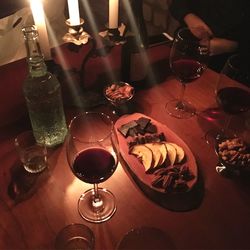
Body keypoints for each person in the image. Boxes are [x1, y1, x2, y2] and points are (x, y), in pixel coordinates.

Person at [169, 0, 250, 72]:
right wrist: (189, 16)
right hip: (184, 46)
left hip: (226, 64)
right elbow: (176, 4)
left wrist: (231, 46)